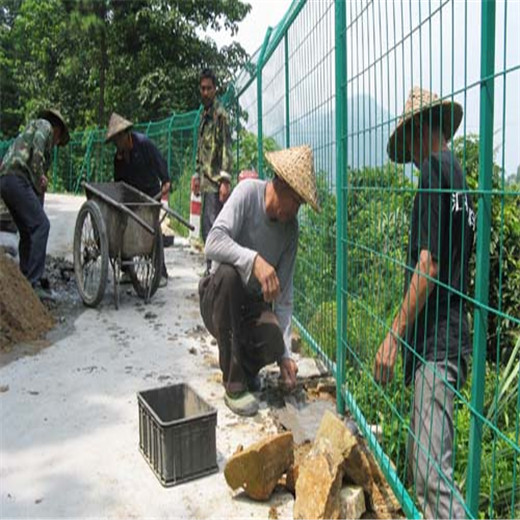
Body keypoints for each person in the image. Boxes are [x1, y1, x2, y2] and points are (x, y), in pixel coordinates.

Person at [373, 87, 475, 519]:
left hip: (437, 344)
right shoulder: (459, 176)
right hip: (451, 339)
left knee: (433, 481)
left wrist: (393, 336)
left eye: (408, 144)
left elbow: (429, 265)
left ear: (417, 129)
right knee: (425, 472)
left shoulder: (435, 168)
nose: (411, 158)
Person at [199, 145, 320, 417]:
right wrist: (253, 261)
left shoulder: (290, 232)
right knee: (230, 275)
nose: (296, 211)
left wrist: (285, 356)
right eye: (296, 201)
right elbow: (212, 243)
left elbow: (284, 298)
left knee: (274, 336)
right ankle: (234, 383)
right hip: (218, 298)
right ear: (280, 184)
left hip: (250, 308)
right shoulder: (247, 193)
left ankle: (245, 367)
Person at [0, 108, 70, 298]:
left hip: (5, 180)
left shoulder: (26, 133)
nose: (55, 144)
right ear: (57, 130)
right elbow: (38, 153)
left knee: (27, 230)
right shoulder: (44, 126)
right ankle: (33, 282)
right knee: (42, 225)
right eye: (57, 140)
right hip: (17, 178)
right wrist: (41, 177)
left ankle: (24, 276)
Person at [105, 112, 171, 286]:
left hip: (150, 191)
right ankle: (127, 270)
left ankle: (161, 272)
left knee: (152, 228)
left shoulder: (143, 144)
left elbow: (159, 161)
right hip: (131, 195)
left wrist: (165, 180)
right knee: (124, 227)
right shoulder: (117, 159)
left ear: (126, 135)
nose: (117, 145)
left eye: (118, 140)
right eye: (114, 141)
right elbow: (119, 184)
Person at [193, 68, 233, 271]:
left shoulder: (220, 116)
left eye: (209, 88)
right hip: (205, 182)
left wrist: (225, 181)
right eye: (202, 88)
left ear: (215, 89)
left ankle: (215, 273)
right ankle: (210, 270)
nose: (205, 92)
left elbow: (226, 147)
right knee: (206, 230)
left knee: (215, 231)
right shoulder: (204, 115)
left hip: (216, 184)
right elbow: (201, 149)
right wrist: (196, 174)